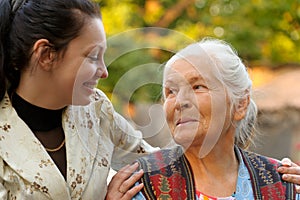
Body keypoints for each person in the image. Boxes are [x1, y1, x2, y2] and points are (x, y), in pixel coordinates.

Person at [0, 0, 158, 199]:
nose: (104, 72)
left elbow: (157, 164)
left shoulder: (97, 110)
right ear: (46, 54)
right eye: (93, 57)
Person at [129, 38, 300, 199]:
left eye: (197, 87)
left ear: (240, 104)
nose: (179, 102)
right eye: (171, 92)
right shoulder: (142, 185)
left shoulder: (283, 185)